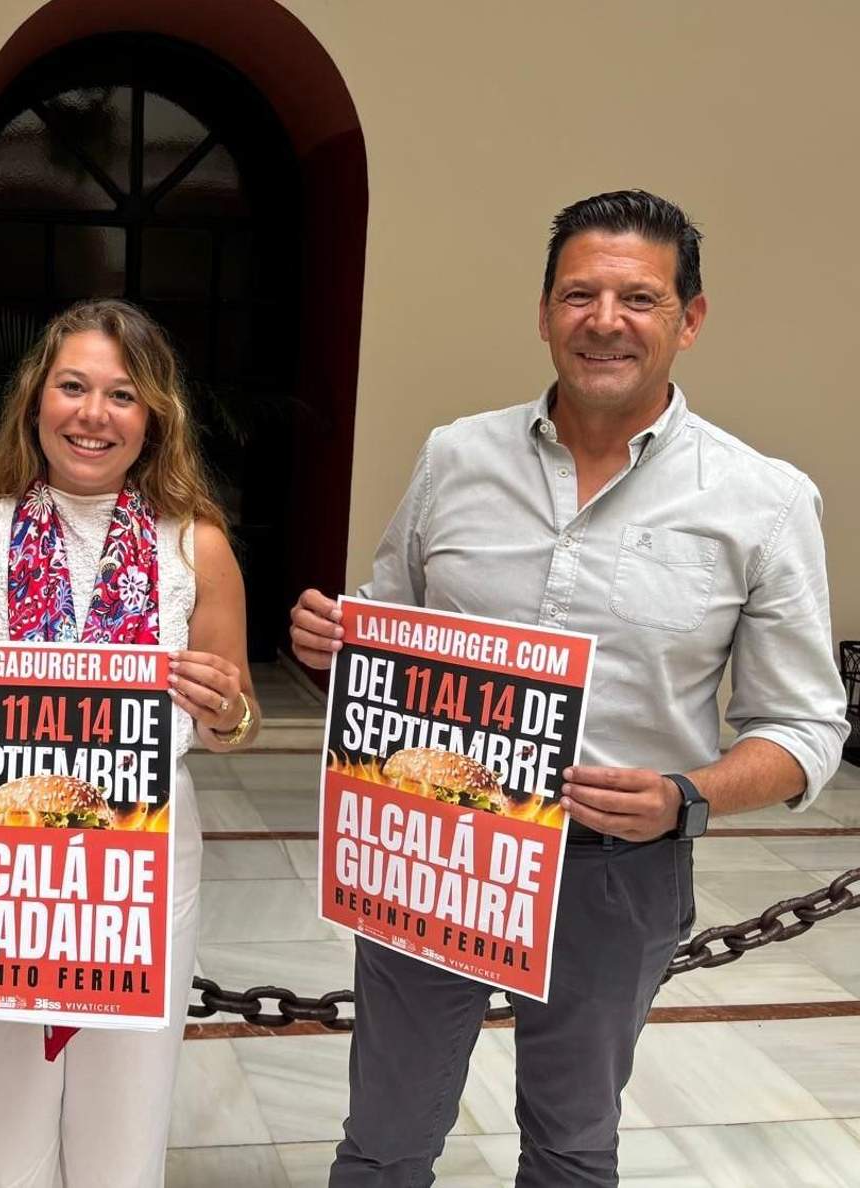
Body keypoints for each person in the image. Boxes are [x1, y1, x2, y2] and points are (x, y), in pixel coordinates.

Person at [291, 189, 849, 1188]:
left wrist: (690, 794)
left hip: (613, 873)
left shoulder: (762, 501)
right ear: (544, 311)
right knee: (381, 1142)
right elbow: (381, 627)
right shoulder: (454, 455)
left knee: (572, 1146)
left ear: (690, 318)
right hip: (434, 843)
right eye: (577, 294)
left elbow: (803, 726)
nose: (604, 321)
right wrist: (330, 642)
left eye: (637, 297)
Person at [0, 299, 261, 1186]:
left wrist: (225, 712)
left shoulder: (195, 548)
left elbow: (238, 725)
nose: (94, 414)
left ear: (152, 419)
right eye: (73, 387)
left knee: (123, 1132)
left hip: (148, 866)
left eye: (122, 394)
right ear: (36, 403)